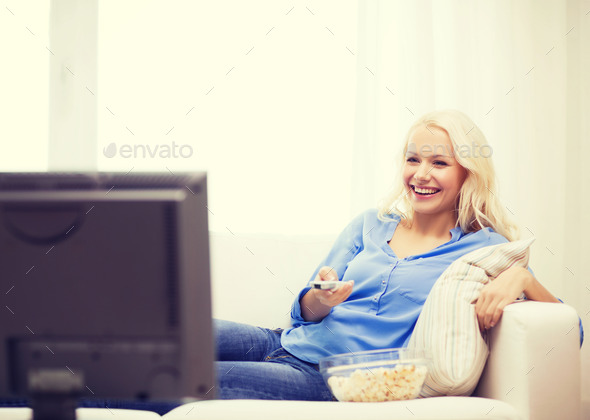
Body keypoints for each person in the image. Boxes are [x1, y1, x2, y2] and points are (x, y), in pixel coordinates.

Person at [215, 109, 574, 401]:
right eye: (413, 159)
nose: (420, 174)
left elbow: (568, 333)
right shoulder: (370, 224)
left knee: (173, 381)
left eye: (439, 163)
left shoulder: (483, 249)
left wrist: (522, 277)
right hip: (278, 341)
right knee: (166, 339)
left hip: (329, 378)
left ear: (468, 173)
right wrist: (321, 298)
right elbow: (305, 314)